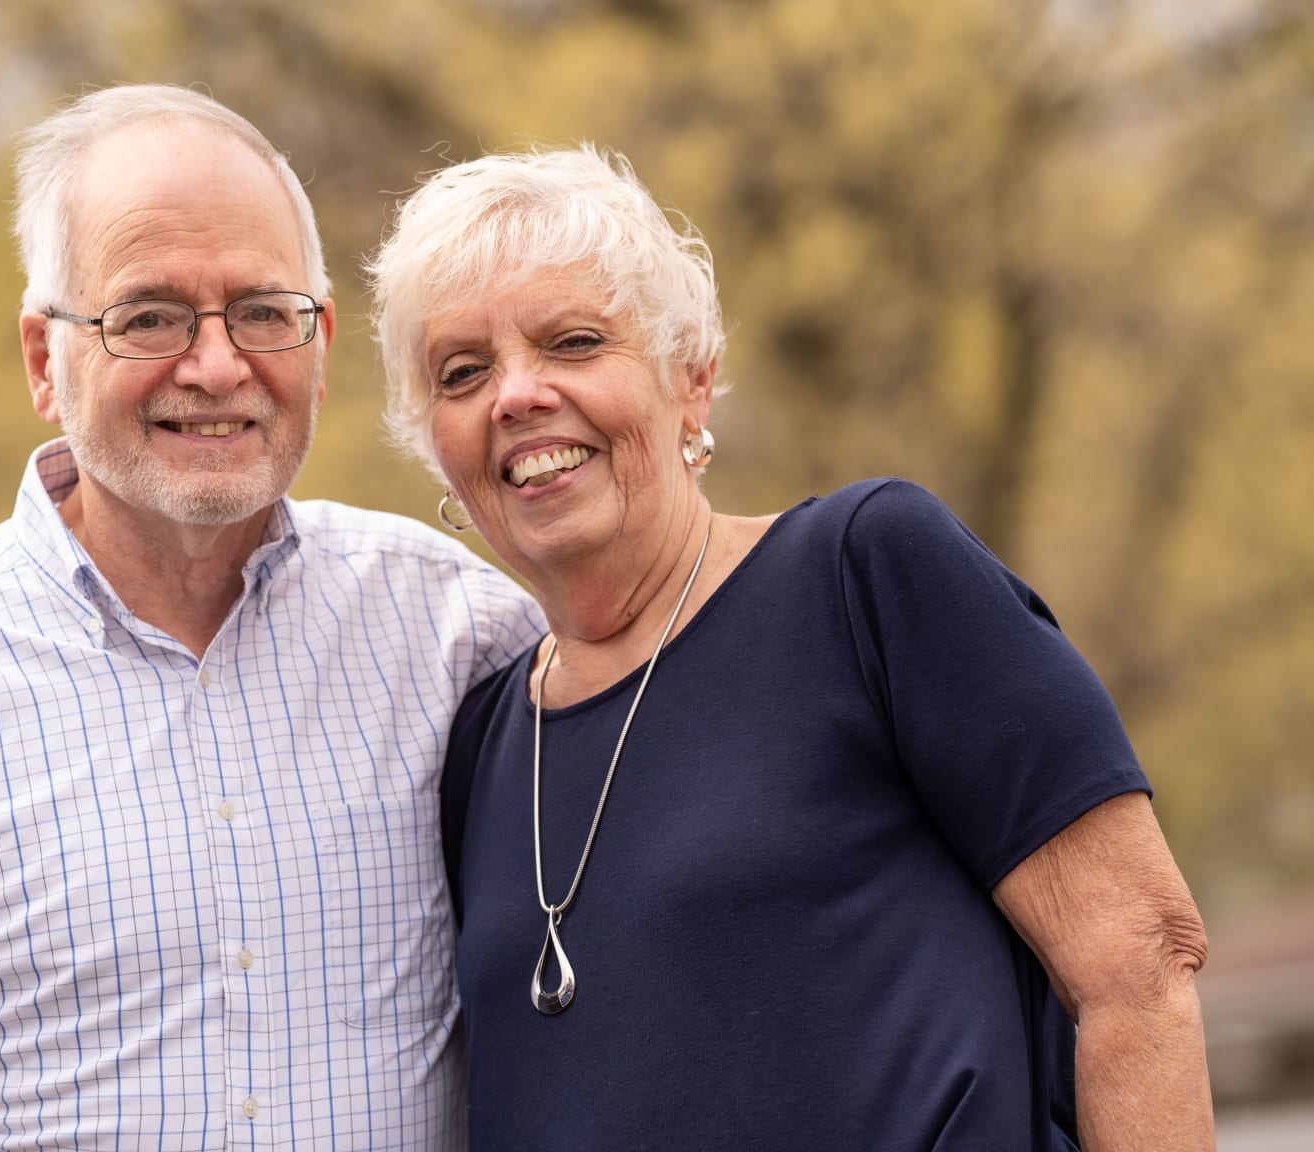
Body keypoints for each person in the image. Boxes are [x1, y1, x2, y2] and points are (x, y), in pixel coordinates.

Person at [0, 85, 543, 1151]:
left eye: (263, 312)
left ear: (319, 348)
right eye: (149, 317)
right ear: (46, 360)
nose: (217, 364)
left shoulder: (464, 635)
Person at [366, 145, 1214, 1150]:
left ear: (692, 380)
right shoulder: (479, 749)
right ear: (439, 449)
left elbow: (1140, 967)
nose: (516, 394)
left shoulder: (866, 577)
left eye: (574, 342)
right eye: (463, 373)